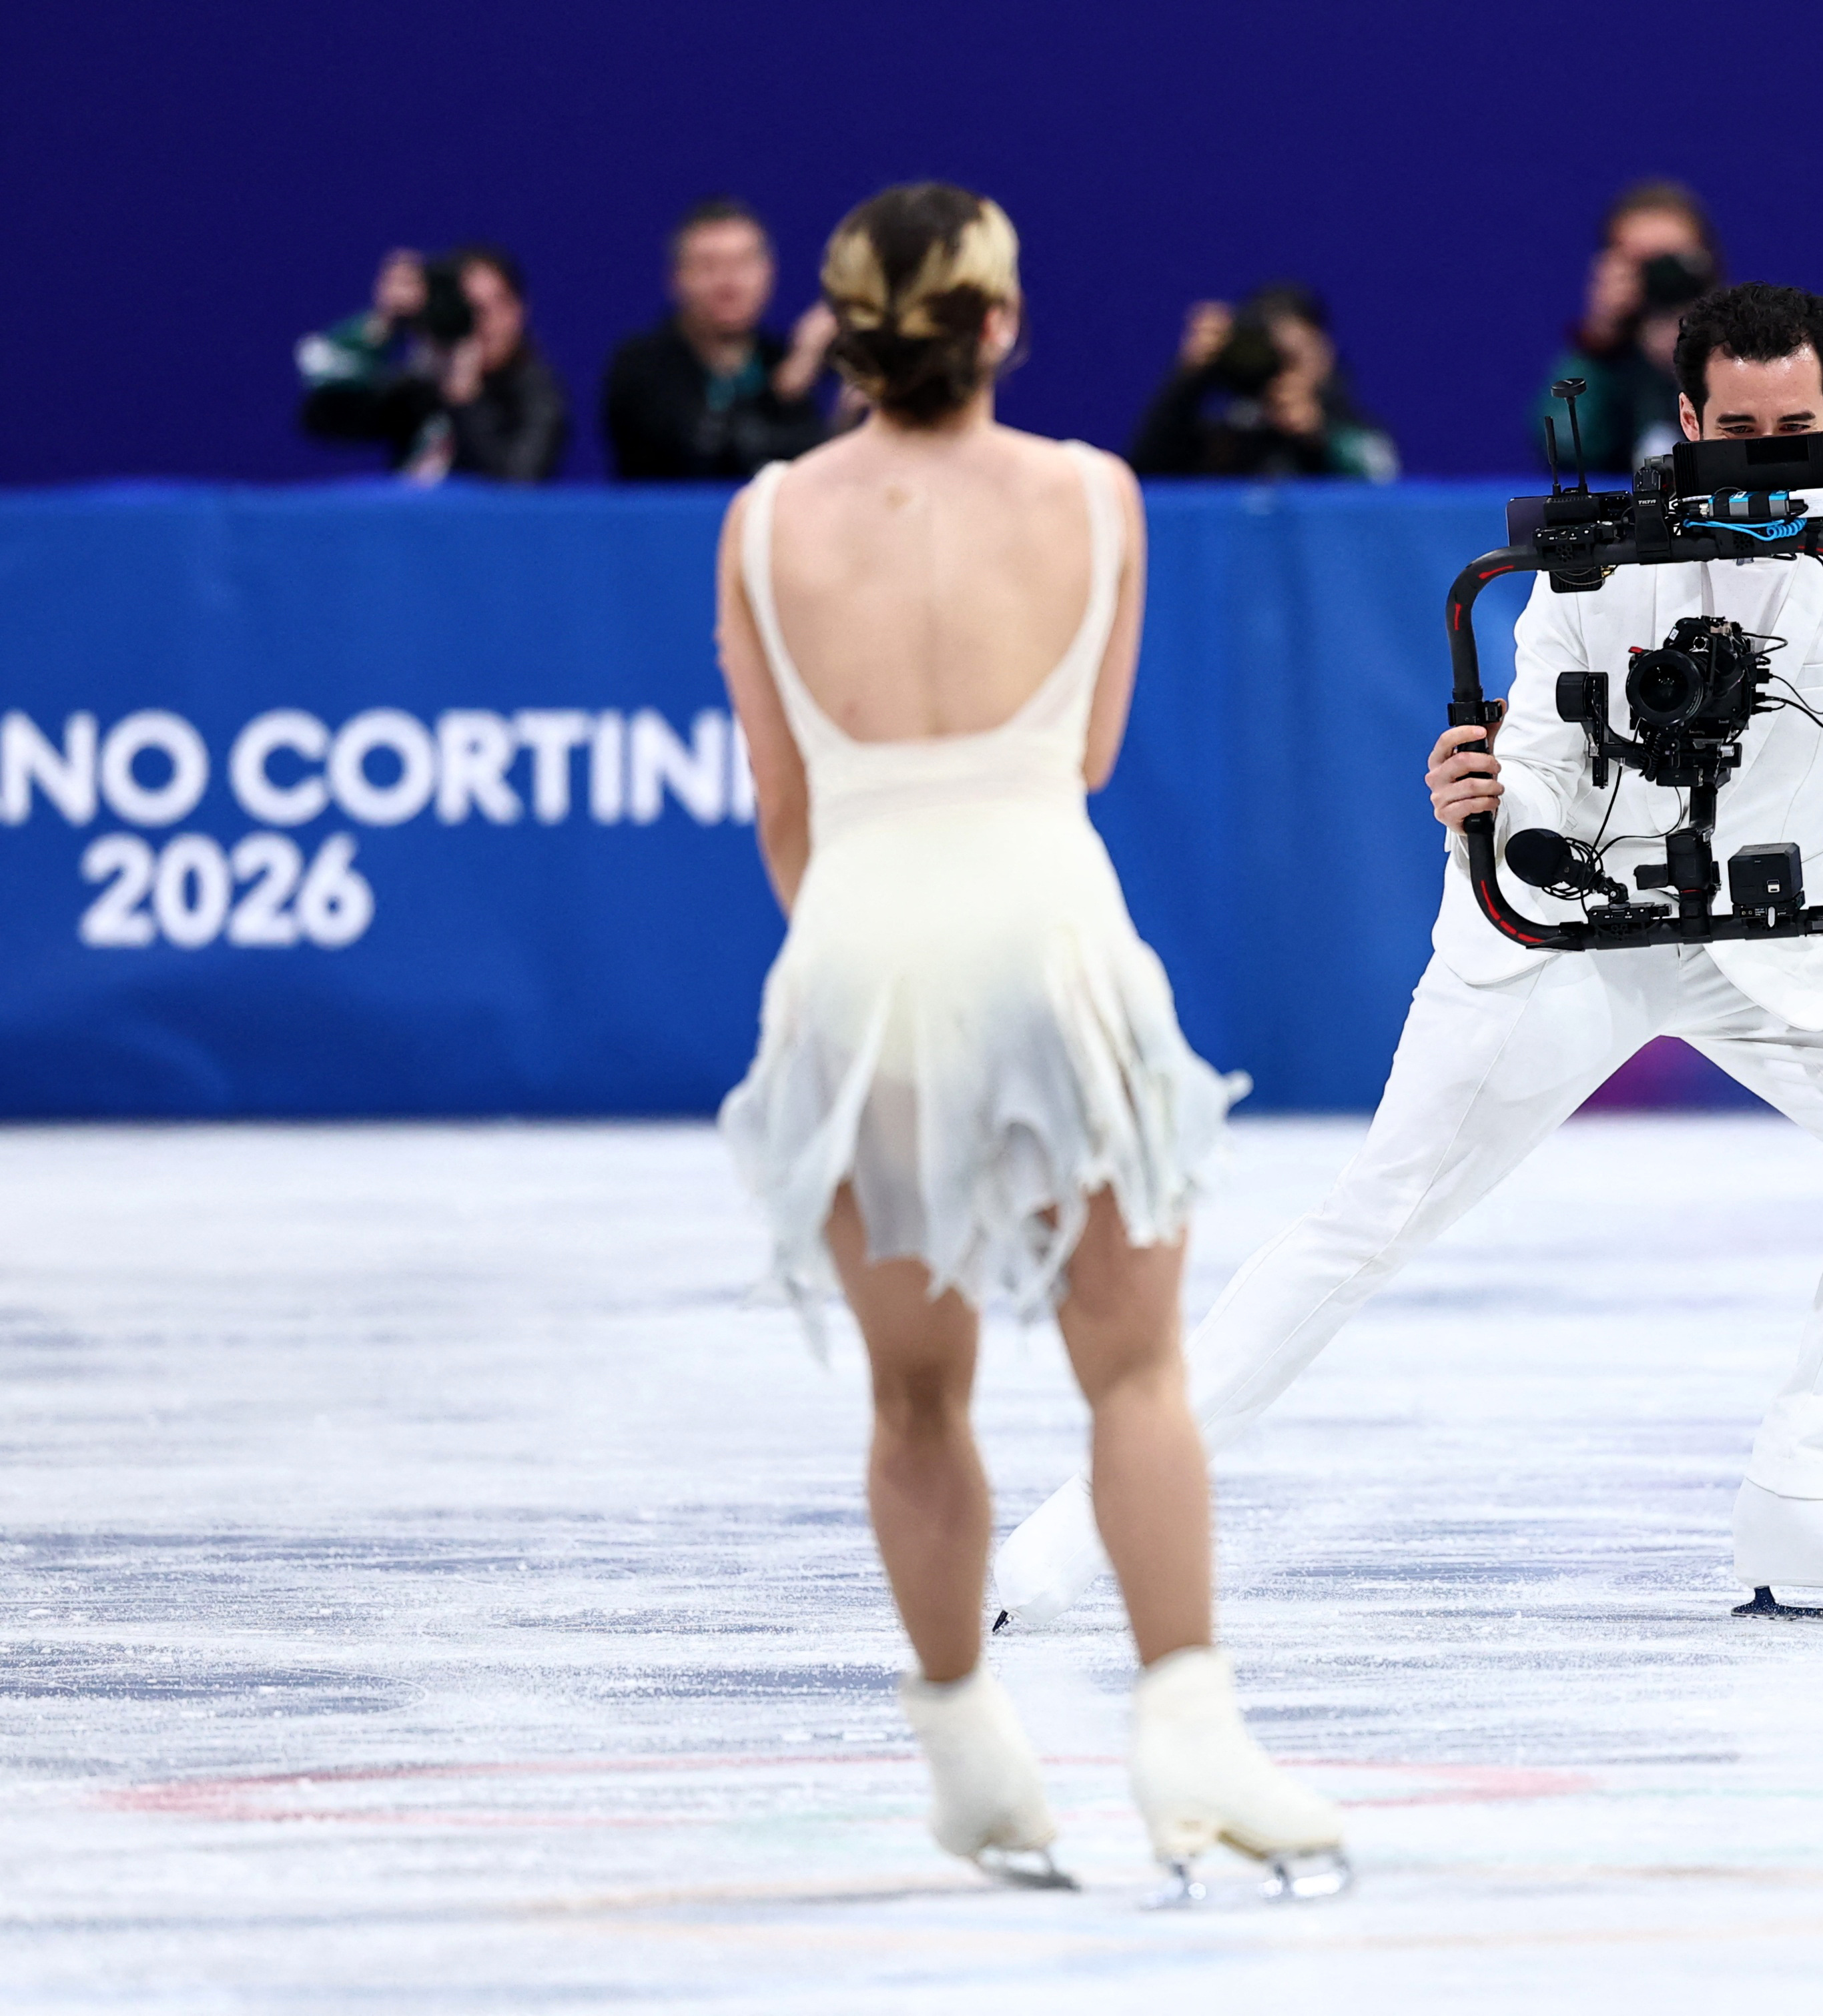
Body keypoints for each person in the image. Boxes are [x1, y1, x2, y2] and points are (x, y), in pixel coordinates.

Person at [995, 282, 1823, 1632]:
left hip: (1774, 941)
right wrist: (1485, 798)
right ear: (1689, 417)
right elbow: (1528, 754)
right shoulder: (1595, 559)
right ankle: (1085, 1521)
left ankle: (1804, 1488)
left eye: (1796, 424)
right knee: (1369, 1217)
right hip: (1565, 934)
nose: (1768, 452)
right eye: (1737, 426)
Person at [711, 181, 1344, 1898]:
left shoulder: (763, 520)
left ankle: (966, 1747)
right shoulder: (1093, 493)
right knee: (1131, 1363)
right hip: (1040, 922)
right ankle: (1187, 1728)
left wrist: (861, 959)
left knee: (918, 1393)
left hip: (854, 945)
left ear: (840, 327)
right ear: (1001, 322)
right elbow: (1080, 757)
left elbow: (782, 803)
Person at [605, 199, 838, 481]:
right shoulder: (640, 367)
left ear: (768, 272)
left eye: (743, 264)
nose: (728, 283)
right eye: (708, 266)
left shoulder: (779, 358)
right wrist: (785, 389)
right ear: (676, 278)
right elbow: (698, 458)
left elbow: (805, 469)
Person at [295, 245, 566, 484]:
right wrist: (382, 328)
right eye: (467, 310)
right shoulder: (424, 386)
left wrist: (465, 399)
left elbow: (518, 486)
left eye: (490, 307)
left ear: (518, 310)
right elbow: (324, 417)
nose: (481, 326)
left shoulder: (536, 393)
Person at [1533, 179, 1722, 472]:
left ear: (1707, 262)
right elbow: (1563, 448)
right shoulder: (1604, 357)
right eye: (1643, 263)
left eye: (1672, 260)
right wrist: (1600, 339)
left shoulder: (1744, 349)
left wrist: (1697, 349)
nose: (1663, 276)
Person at [1126, 283, 1398, 479]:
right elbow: (1146, 478)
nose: (1278, 368)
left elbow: (1380, 481)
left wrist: (1318, 437)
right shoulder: (1223, 431)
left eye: (1291, 356)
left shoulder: (1348, 426)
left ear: (1323, 351)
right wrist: (1188, 380)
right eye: (1268, 353)